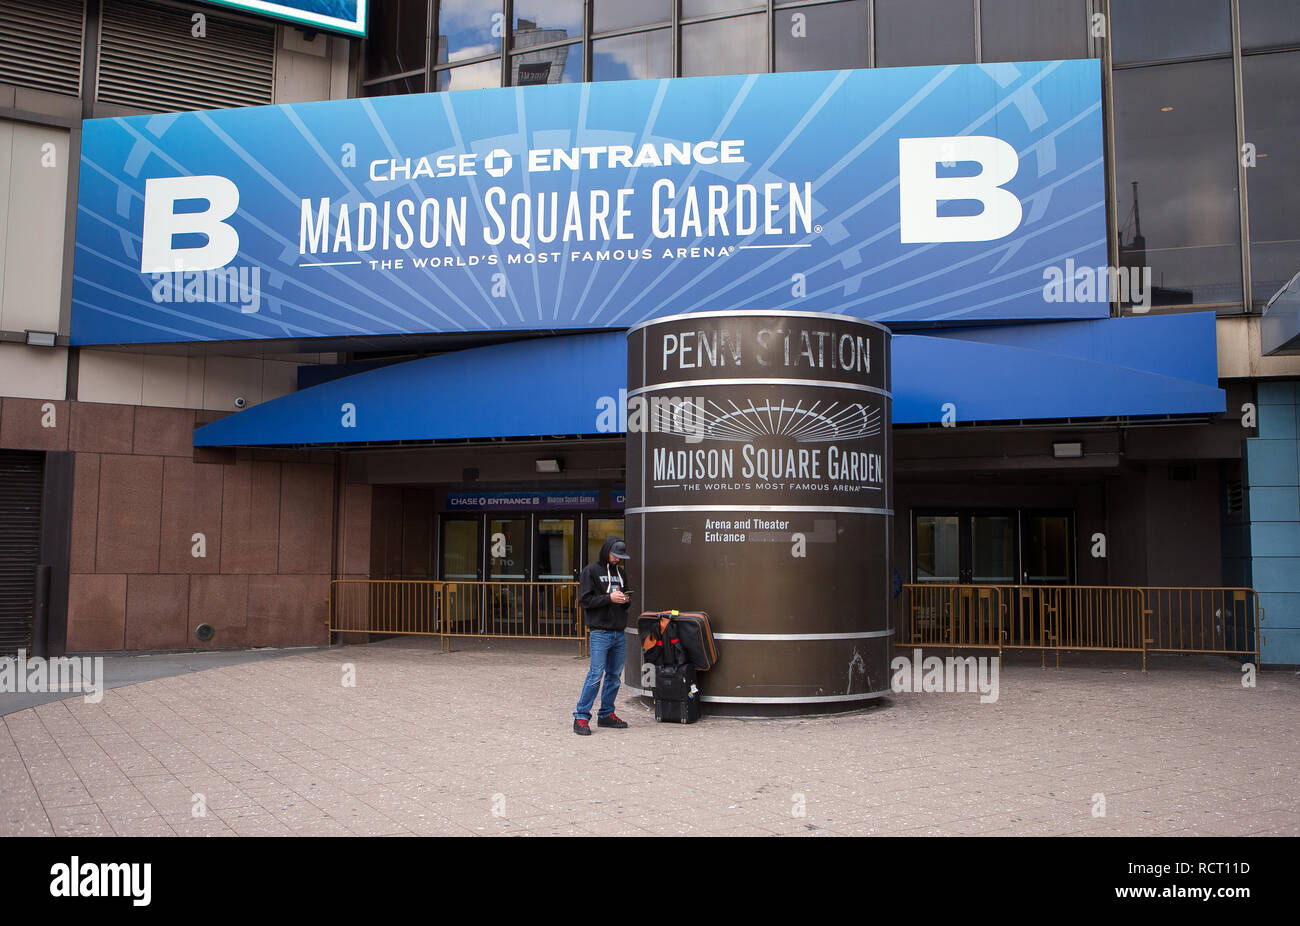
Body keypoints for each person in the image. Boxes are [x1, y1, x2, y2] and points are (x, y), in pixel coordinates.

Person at [573, 537, 632, 735]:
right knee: (596, 675)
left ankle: (606, 714)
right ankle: (581, 716)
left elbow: (625, 602)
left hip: (618, 630)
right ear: (607, 551)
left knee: (614, 676)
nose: (617, 559)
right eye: (615, 555)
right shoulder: (591, 571)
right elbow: (585, 600)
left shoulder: (621, 573)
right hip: (600, 631)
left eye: (620, 557)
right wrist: (609, 598)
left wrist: (625, 599)